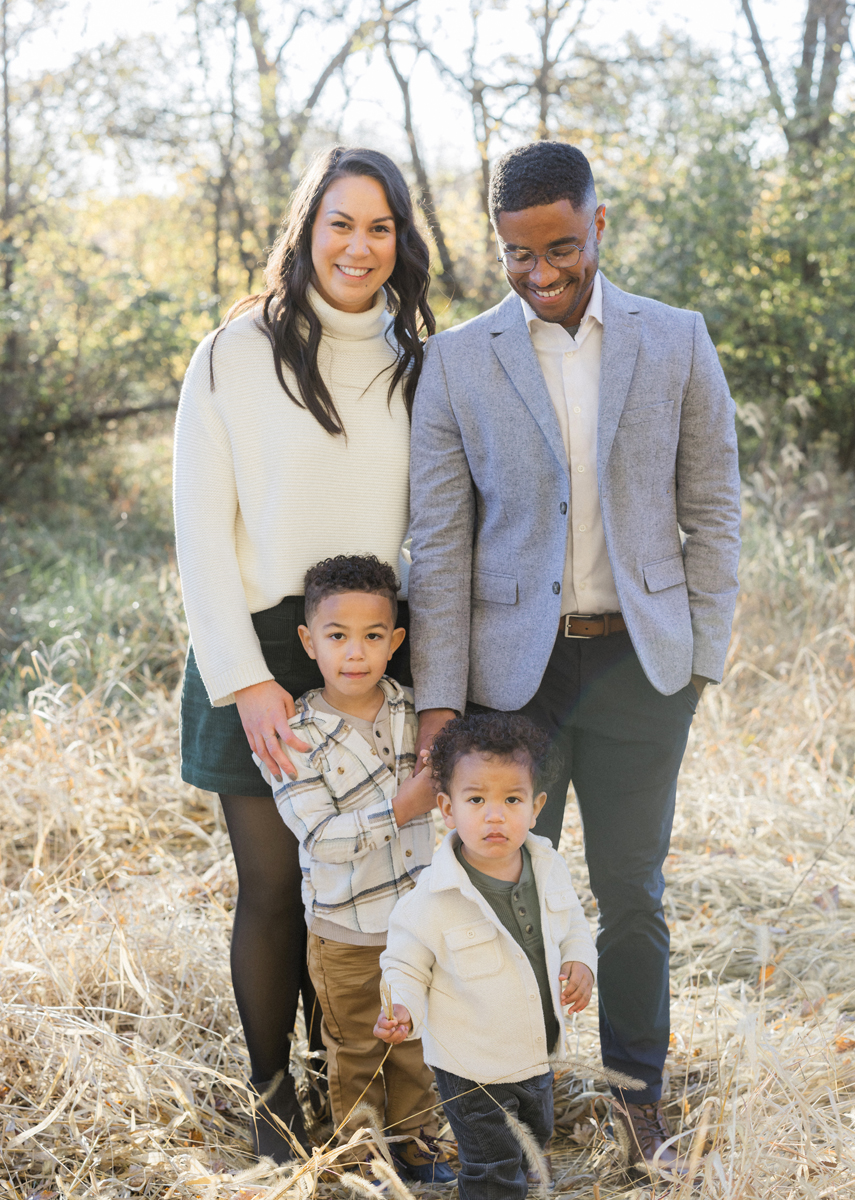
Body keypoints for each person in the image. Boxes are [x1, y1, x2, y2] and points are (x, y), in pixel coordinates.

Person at [407, 141, 741, 1177]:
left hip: (645, 668)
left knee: (632, 890)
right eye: (516, 254)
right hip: (516, 683)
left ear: (600, 224)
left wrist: (701, 660)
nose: (540, 272)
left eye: (559, 247)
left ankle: (643, 1093)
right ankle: (516, 1102)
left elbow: (714, 508)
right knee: (502, 890)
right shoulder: (460, 361)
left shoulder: (677, 341)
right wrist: (442, 707)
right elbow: (441, 542)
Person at [173, 146, 435, 1162]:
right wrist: (245, 680)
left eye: (379, 227)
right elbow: (199, 530)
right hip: (262, 644)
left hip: (374, 645)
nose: (358, 246)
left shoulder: (422, 363)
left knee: (370, 882)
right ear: (307, 229)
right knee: (278, 882)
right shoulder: (231, 353)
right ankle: (276, 1101)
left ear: (400, 241)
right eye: (340, 223)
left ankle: (354, 1085)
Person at [254, 555, 454, 1184]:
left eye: (373, 637)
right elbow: (319, 836)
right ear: (309, 643)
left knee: (416, 1039)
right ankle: (364, 1160)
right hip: (346, 933)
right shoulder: (294, 735)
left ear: (395, 643)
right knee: (359, 1051)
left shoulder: (414, 715)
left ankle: (419, 1142)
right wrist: (405, 807)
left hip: (417, 924)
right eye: (337, 637)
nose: (355, 653)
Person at [375, 712, 596, 1200]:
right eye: (476, 800)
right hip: (471, 1066)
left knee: (532, 1143)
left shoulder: (548, 865)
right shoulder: (433, 897)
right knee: (492, 1166)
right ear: (447, 809)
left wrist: (581, 962)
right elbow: (405, 964)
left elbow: (575, 924)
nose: (495, 815)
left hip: (536, 1052)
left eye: (511, 799)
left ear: (536, 807)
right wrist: (403, 1008)